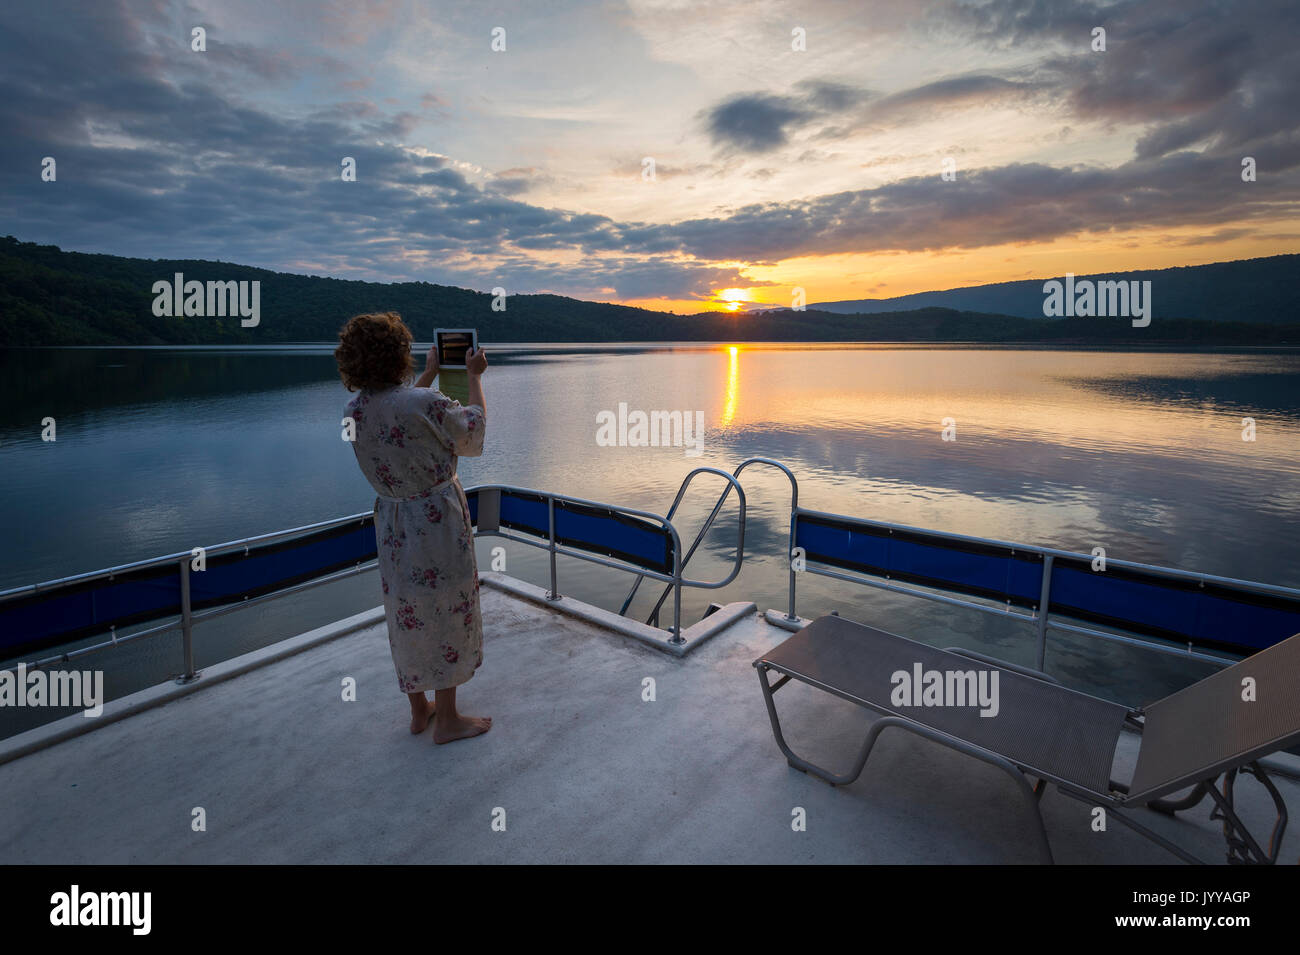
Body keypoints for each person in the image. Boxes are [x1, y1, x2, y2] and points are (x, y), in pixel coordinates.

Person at [334, 311, 492, 744]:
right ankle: (448, 720)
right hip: (436, 520)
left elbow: (397, 419)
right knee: (446, 607)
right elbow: (471, 436)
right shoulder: (426, 403)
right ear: (398, 353)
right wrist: (474, 376)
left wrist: (427, 375)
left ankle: (419, 710)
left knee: (407, 611)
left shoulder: (354, 410)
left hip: (392, 522)